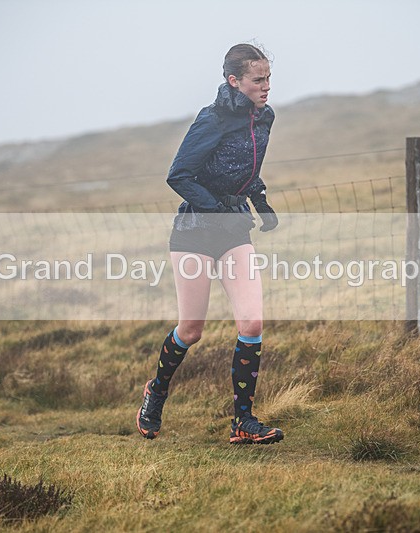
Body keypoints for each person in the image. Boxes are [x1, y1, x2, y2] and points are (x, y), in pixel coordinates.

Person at [136, 43, 283, 444]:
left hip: (234, 228)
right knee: (192, 328)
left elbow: (246, 168)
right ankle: (157, 391)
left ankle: (243, 421)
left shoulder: (264, 118)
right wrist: (215, 206)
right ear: (234, 81)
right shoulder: (212, 119)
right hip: (196, 230)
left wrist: (261, 202)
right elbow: (179, 175)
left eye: (269, 77)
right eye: (258, 79)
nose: (267, 86)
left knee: (251, 322)